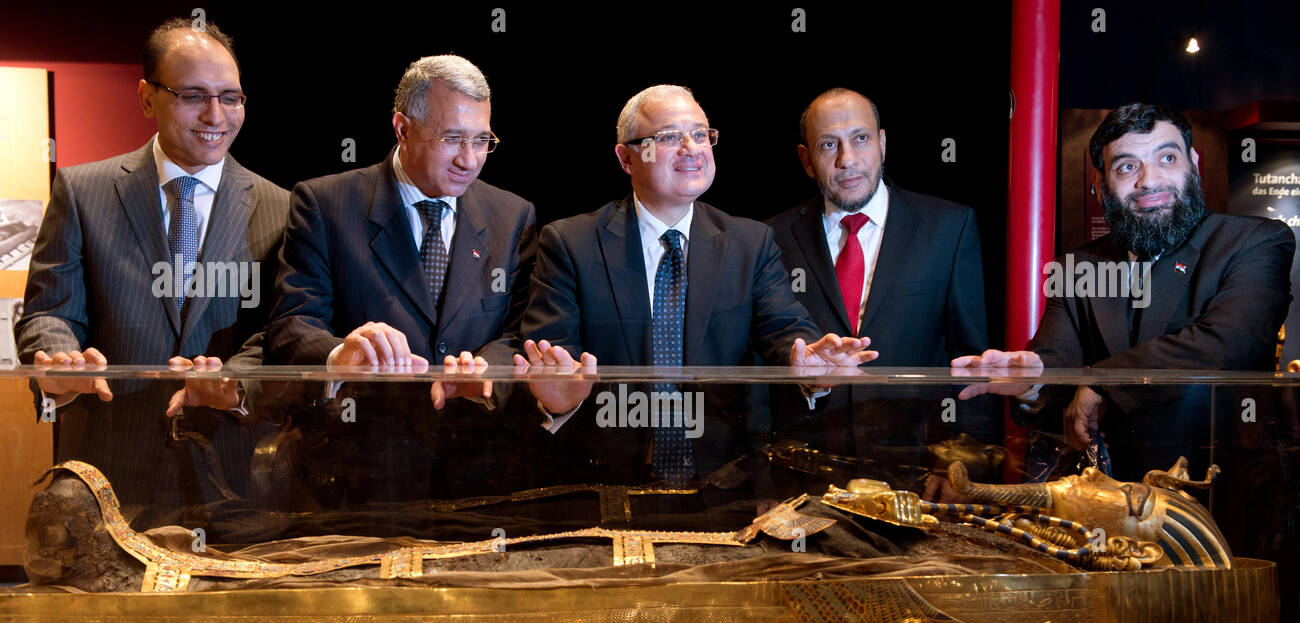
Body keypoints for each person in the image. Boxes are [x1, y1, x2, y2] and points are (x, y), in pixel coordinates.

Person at [954, 102, 1294, 553]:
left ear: (1193, 165)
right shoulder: (1080, 265)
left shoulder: (1255, 241)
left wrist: (1102, 382)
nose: (1149, 180)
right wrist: (1032, 378)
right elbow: (1057, 358)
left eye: (1167, 158)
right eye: (1127, 166)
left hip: (1218, 505)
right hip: (1107, 513)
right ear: (1100, 185)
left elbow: (1229, 340)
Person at [518, 84, 872, 487]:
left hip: (722, 486)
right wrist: (556, 397)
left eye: (701, 134)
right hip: (601, 485)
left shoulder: (748, 243)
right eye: (669, 137)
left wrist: (811, 363)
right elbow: (550, 357)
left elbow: (785, 329)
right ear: (626, 158)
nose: (692, 148)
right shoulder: (570, 243)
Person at [15, 17, 289, 519]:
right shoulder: (83, 192)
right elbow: (48, 313)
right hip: (106, 472)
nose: (215, 115)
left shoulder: (281, 206)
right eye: (192, 95)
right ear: (146, 97)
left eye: (231, 97)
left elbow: (281, 331)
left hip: (234, 478)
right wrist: (59, 364)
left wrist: (233, 385)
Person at [266, 54, 535, 409]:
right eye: (452, 138)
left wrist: (487, 369)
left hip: (472, 446)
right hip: (360, 445)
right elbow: (291, 327)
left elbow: (520, 332)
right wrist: (340, 355)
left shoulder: (513, 215)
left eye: (482, 140)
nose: (469, 160)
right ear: (403, 129)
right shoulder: (326, 204)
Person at [765, 88, 994, 490]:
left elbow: (970, 358)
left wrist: (958, 465)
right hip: (804, 477)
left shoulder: (948, 228)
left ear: (883, 144)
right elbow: (758, 365)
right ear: (806, 160)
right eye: (828, 144)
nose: (847, 160)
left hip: (916, 473)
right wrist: (764, 483)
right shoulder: (772, 238)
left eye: (861, 138)